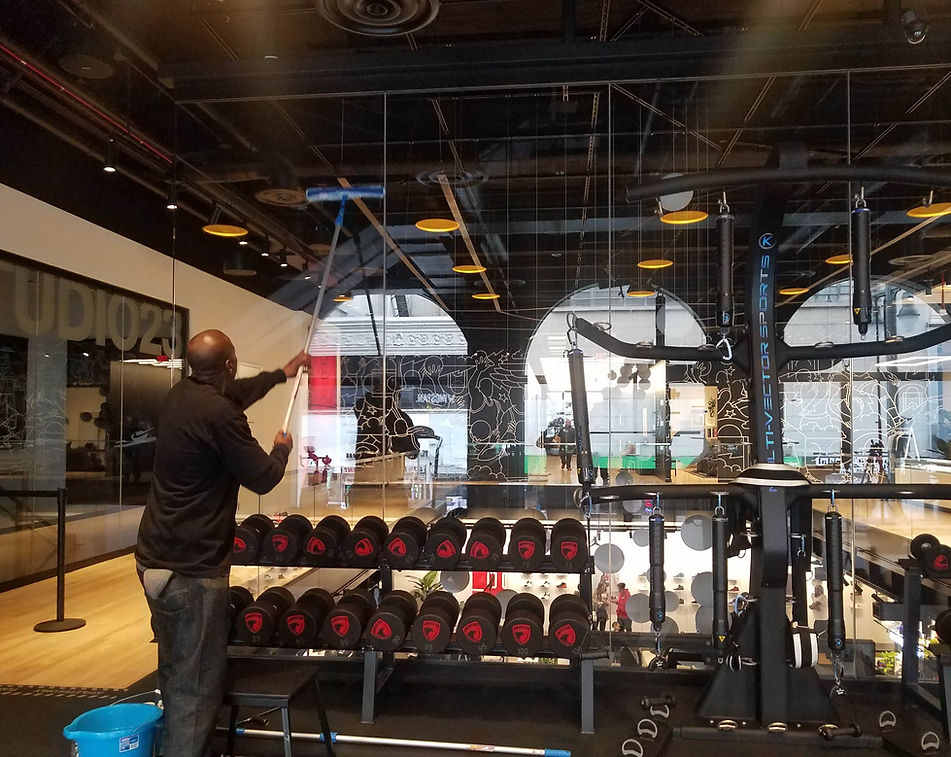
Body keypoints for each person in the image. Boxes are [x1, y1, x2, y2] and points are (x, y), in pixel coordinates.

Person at [135, 329, 308, 757]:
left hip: (154, 561)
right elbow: (264, 477)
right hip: (192, 572)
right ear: (229, 364)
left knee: (177, 673)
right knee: (196, 688)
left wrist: (280, 375)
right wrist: (281, 449)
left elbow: (234, 395)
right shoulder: (220, 415)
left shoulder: (182, 396)